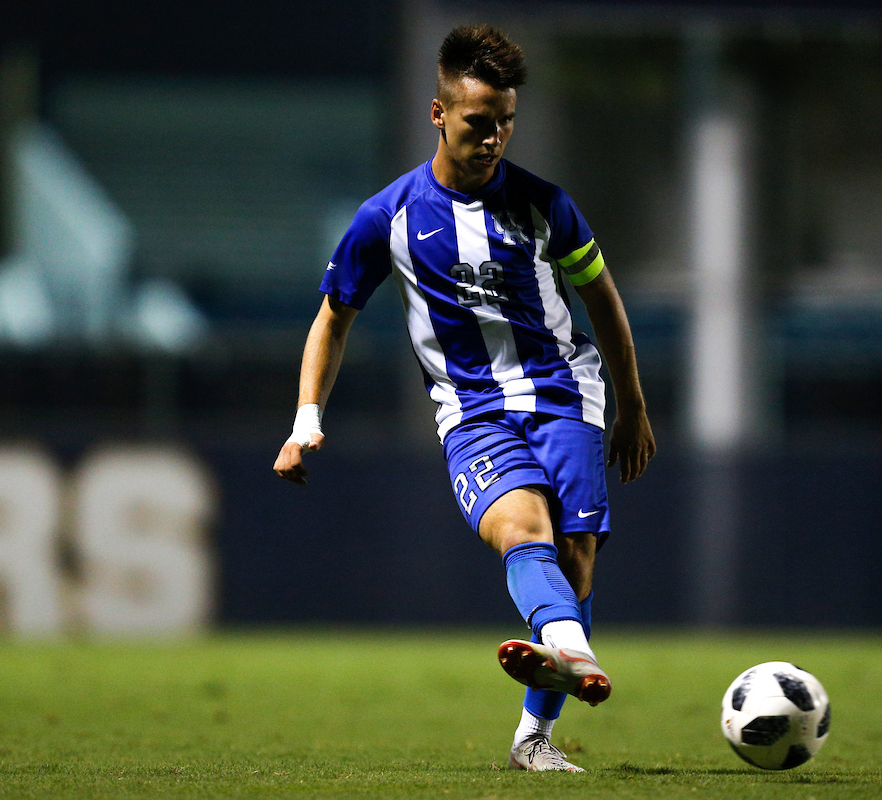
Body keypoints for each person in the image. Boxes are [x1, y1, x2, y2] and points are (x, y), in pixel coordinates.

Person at [273, 23, 656, 773]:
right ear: (439, 114)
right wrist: (305, 421)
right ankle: (572, 651)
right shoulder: (387, 217)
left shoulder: (546, 206)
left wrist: (633, 406)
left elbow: (603, 300)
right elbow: (333, 318)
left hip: (564, 392)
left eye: (506, 122)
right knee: (521, 530)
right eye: (480, 123)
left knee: (575, 555)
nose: (495, 139)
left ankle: (533, 738)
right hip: (470, 408)